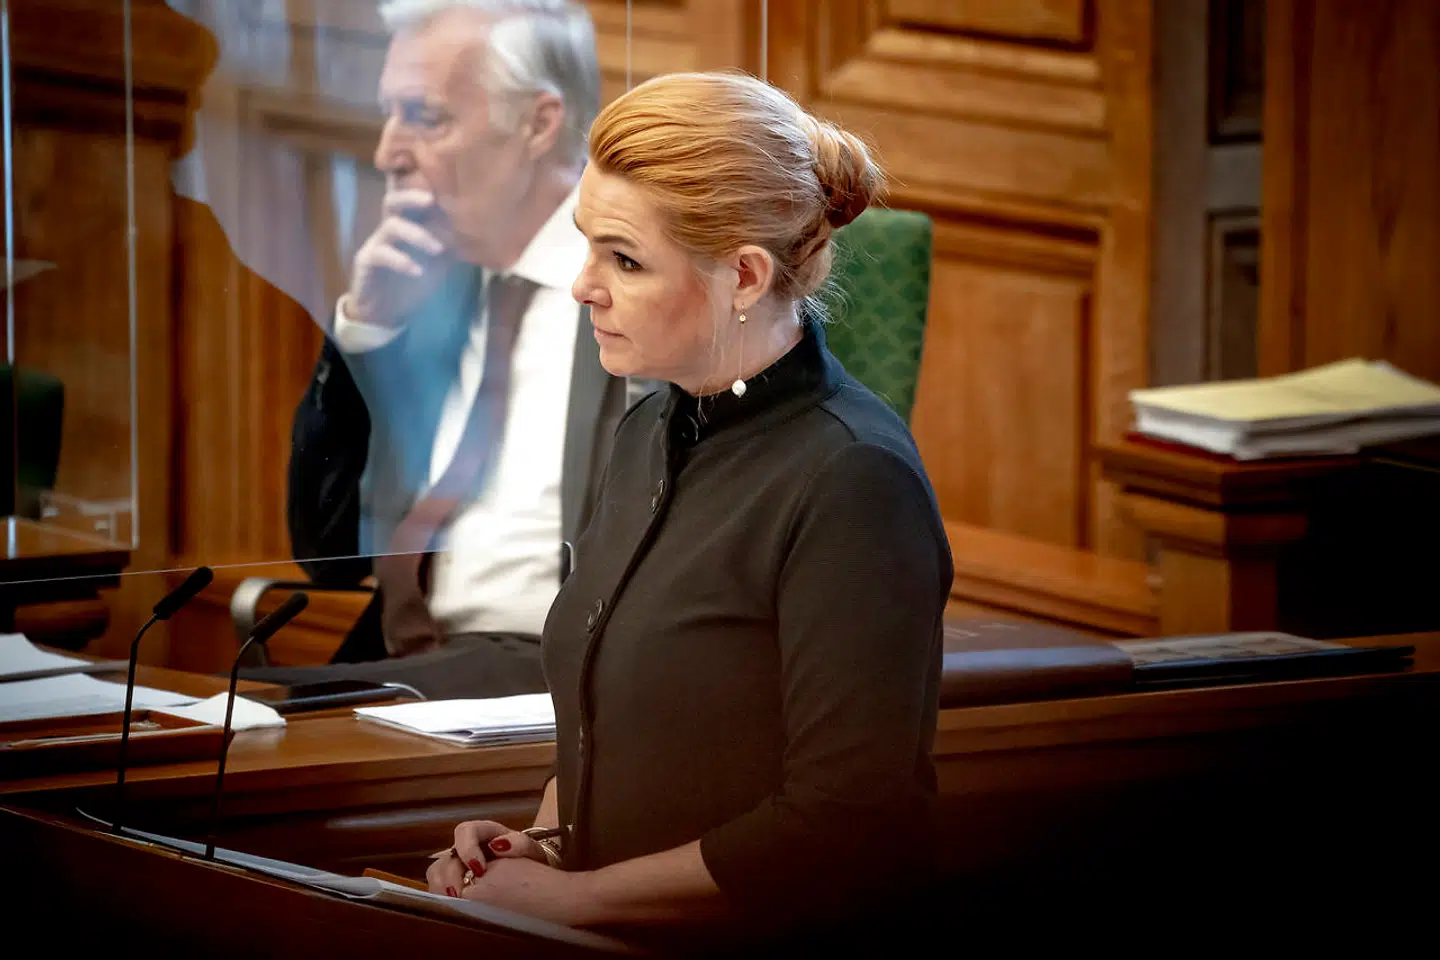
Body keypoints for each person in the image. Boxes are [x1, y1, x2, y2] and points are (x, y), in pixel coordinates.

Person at [425, 71, 954, 950]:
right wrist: (545, 843)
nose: (582, 286)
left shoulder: (854, 478)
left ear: (744, 275)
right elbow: (636, 736)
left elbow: (846, 824)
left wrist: (576, 900)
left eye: (625, 260)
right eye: (586, 244)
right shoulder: (646, 433)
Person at [263, 0, 632, 698]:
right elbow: (327, 555)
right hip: (409, 670)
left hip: (556, 679)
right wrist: (365, 332)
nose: (388, 153)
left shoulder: (639, 286)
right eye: (389, 114)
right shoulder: (424, 286)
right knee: (208, 722)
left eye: (425, 118)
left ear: (538, 124)